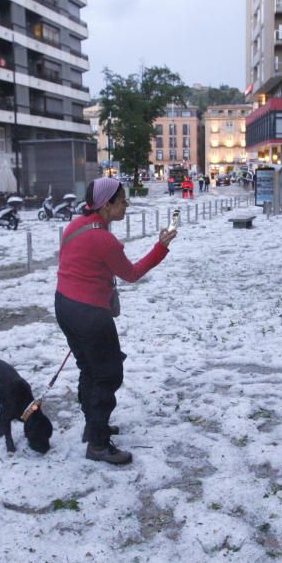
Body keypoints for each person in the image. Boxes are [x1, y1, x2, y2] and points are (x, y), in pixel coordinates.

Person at [55, 177, 178, 465]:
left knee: (89, 367)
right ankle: (98, 444)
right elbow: (132, 274)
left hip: (65, 306)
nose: (126, 205)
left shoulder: (76, 226)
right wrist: (161, 247)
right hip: (89, 314)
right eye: (122, 200)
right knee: (109, 375)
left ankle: (93, 427)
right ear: (106, 205)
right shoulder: (104, 239)